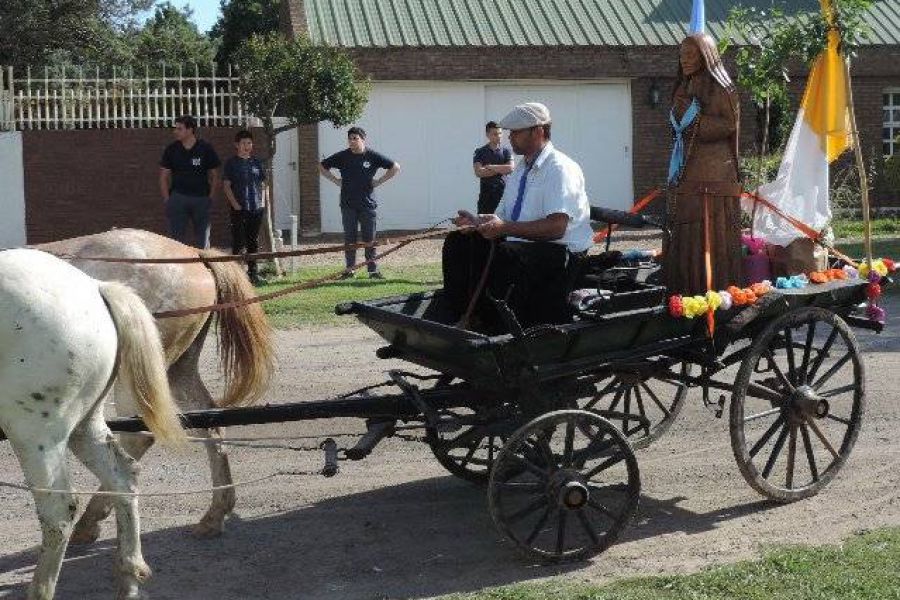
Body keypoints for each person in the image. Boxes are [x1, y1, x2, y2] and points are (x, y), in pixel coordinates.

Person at [442, 102, 593, 331]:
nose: (510, 137)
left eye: (516, 132)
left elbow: (556, 227)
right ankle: (464, 315)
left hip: (561, 253)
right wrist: (477, 221)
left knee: (506, 255)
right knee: (459, 243)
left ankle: (499, 329)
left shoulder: (560, 169)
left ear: (539, 131)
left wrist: (504, 228)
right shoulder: (521, 169)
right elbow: (504, 216)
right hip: (524, 246)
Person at [662, 33, 742, 295]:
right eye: (681, 55)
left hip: (713, 169)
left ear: (705, 55)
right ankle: (681, 284)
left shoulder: (721, 86)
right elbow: (678, 124)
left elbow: (728, 124)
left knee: (708, 228)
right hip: (686, 164)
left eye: (691, 54)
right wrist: (679, 116)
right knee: (683, 225)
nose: (684, 60)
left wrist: (695, 120)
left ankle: (711, 287)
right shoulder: (684, 85)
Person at [318, 127, 401, 279]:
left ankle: (373, 271)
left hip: (367, 205)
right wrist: (336, 181)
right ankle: (350, 270)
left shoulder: (372, 156)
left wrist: (379, 181)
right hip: (348, 204)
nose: (352, 141)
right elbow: (322, 166)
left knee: (369, 239)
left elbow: (395, 167)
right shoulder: (342, 156)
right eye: (350, 138)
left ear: (363, 139)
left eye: (355, 138)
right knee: (350, 239)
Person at [159, 115, 221, 249]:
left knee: (203, 242)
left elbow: (215, 175)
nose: (175, 131)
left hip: (201, 199)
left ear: (190, 130)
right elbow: (164, 177)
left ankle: (204, 267)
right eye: (175, 128)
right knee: (176, 242)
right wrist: (168, 200)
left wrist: (209, 198)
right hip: (178, 199)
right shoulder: (171, 149)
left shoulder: (205, 148)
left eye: (179, 129)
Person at [223, 130, 268, 285]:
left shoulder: (256, 163)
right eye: (243, 143)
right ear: (237, 145)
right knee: (238, 241)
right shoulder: (231, 163)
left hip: (256, 207)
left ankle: (253, 273)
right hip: (239, 208)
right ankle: (236, 276)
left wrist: (262, 202)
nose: (247, 146)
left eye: (249, 143)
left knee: (253, 241)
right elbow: (227, 186)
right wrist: (235, 205)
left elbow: (263, 184)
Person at [473, 121, 514, 214]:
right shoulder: (480, 152)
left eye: (500, 133)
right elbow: (478, 172)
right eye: (495, 134)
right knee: (483, 224)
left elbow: (510, 169)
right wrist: (501, 169)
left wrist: (490, 167)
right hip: (486, 195)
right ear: (488, 135)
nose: (499, 136)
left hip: (503, 194)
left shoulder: (506, 151)